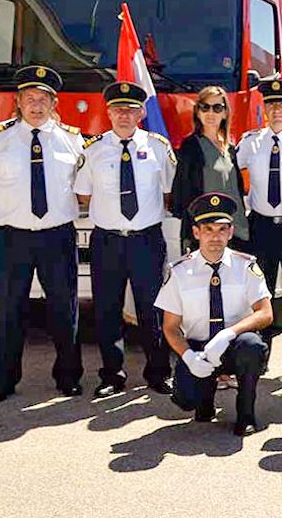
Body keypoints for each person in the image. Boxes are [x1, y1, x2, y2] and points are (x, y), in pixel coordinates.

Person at [0, 65, 84, 402]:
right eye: (29, 98)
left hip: (57, 237)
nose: (36, 105)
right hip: (11, 237)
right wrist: (0, 212)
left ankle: (68, 377)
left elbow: (84, 187)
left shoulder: (72, 139)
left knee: (64, 309)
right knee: (7, 310)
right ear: (17, 102)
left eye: (43, 99)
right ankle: (2, 381)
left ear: (54, 103)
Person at [75, 81, 176, 398]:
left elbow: (169, 192)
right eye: (118, 109)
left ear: (141, 113)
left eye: (131, 110)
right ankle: (112, 376)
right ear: (108, 113)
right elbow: (83, 194)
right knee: (107, 310)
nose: (124, 115)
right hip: (107, 241)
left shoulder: (158, 147)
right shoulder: (93, 150)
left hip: (146, 241)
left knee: (152, 309)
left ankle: (159, 372)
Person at [155, 192, 272, 436]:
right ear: (196, 232)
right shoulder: (180, 272)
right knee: (186, 399)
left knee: (252, 346)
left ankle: (246, 414)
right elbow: (170, 326)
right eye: (208, 229)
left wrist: (228, 334)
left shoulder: (246, 266)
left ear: (231, 232)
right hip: (198, 349)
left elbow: (265, 313)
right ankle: (204, 401)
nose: (215, 237)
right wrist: (188, 357)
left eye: (222, 229)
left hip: (233, 345)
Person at [237, 78, 282, 361]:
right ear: (264, 109)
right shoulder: (249, 142)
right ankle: (259, 357)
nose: (277, 110)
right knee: (259, 293)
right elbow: (229, 173)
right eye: (271, 105)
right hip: (261, 226)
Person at [171, 85, 248, 253]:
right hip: (205, 236)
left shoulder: (230, 148)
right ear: (198, 112)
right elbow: (181, 195)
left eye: (217, 108)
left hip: (234, 231)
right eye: (205, 107)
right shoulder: (190, 146)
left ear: (225, 113)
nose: (210, 113)